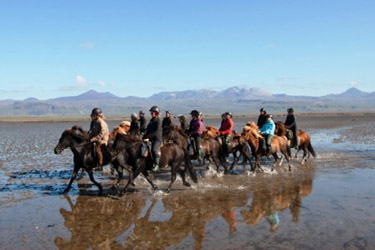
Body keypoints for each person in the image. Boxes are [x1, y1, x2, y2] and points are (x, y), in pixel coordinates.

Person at [143, 106, 163, 171]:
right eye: (151, 112)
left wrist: (148, 137)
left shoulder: (159, 120)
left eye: (152, 112)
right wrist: (144, 135)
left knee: (154, 150)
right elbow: (148, 129)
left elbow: (156, 132)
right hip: (151, 138)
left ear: (156, 113)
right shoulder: (152, 120)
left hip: (157, 139)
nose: (151, 113)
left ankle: (156, 165)